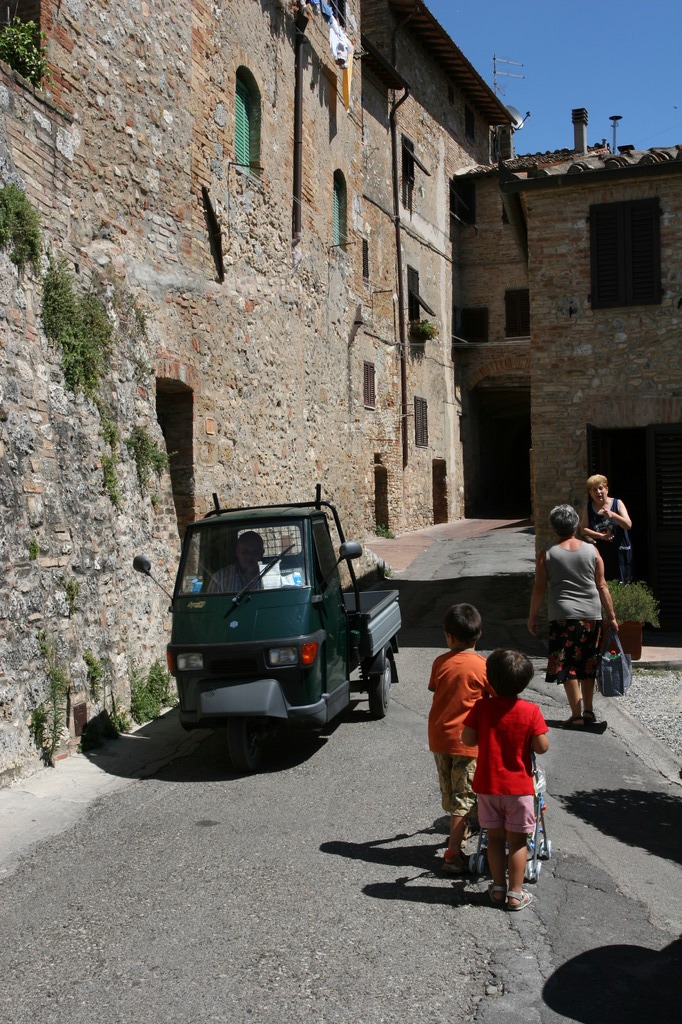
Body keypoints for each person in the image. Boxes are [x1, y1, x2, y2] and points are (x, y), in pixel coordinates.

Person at [462, 648, 549, 912]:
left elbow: (467, 739)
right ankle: (516, 893)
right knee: (518, 842)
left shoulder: (481, 708)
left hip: (488, 787)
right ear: (524, 682)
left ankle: (498, 888)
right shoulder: (530, 711)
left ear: (490, 679)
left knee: (495, 839)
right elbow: (542, 747)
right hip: (519, 789)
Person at [527, 504, 618, 729]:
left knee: (568, 665)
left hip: (562, 617)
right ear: (576, 525)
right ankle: (588, 710)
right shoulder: (592, 551)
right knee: (588, 663)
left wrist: (532, 617)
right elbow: (602, 585)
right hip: (591, 615)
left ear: (554, 528)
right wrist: (612, 616)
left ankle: (576, 714)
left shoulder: (546, 555)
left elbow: (539, 589)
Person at [427, 603, 493, 875]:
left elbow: (435, 688)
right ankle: (452, 855)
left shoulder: (440, 663)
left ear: (449, 637)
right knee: (463, 797)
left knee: (450, 794)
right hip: (467, 742)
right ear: (479, 635)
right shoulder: (483, 666)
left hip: (439, 737)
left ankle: (459, 832)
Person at [580, 474, 633, 582]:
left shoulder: (617, 503)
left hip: (620, 553)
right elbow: (583, 530)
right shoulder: (588, 508)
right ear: (590, 493)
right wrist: (601, 536)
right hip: (601, 554)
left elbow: (628, 525)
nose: (598, 492)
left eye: (600, 488)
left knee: (622, 584)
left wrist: (613, 515)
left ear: (606, 489)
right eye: (594, 490)